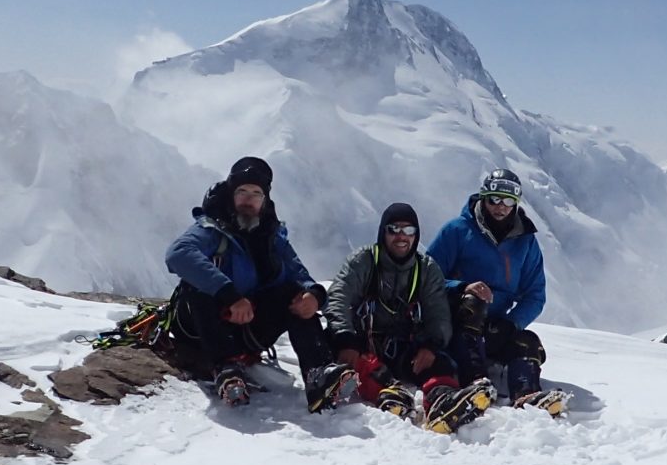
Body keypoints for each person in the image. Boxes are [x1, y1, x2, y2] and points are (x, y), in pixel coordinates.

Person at [163, 155, 331, 404]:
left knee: (294, 295)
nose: (248, 200)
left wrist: (314, 296)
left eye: (256, 193)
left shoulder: (272, 237)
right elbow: (178, 254)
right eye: (242, 191)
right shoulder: (211, 228)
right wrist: (229, 295)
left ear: (265, 200)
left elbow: (299, 275)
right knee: (197, 287)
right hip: (200, 330)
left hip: (247, 329)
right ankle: (225, 367)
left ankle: (318, 372)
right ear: (231, 194)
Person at [315, 202, 468, 420]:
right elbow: (339, 296)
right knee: (358, 362)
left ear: (416, 235)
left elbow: (439, 314)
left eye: (408, 230)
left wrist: (431, 346)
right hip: (361, 345)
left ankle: (443, 400)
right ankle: (389, 392)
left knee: (441, 363)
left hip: (403, 347)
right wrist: (345, 339)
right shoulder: (363, 261)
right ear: (383, 232)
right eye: (394, 229)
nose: (401, 236)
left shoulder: (426, 269)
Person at [428, 166, 550, 404]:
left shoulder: (525, 241)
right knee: (474, 304)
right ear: (484, 198)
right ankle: (475, 383)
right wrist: (462, 287)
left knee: (528, 341)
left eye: (507, 200)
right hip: (455, 322)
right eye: (494, 199)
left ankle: (527, 395)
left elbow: (535, 295)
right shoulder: (457, 231)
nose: (500, 206)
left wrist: (511, 323)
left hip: (495, 326)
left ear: (516, 203)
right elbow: (428, 277)